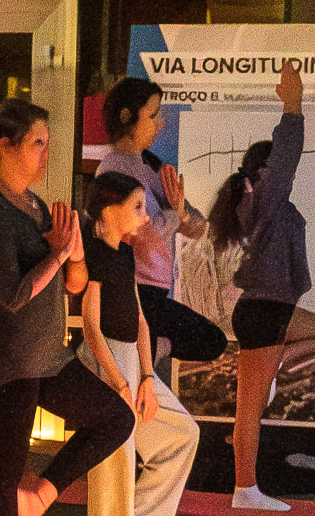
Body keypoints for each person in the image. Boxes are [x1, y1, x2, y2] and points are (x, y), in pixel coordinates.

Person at [0, 97, 133, 516]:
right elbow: (11, 295)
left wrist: (75, 255)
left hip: (48, 356)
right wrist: (59, 254)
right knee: (3, 474)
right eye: (37, 142)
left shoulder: (39, 208)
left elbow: (74, 285)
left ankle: (40, 496)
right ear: (5, 146)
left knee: (115, 418)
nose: (45, 154)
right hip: (4, 363)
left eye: (47, 143)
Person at [212, 65, 315, 513]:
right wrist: (292, 105)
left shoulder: (261, 203)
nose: (287, 176)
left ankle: (274, 370)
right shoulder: (263, 198)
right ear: (264, 173)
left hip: (270, 308)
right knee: (249, 411)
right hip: (263, 310)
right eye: (277, 171)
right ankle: (246, 490)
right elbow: (287, 155)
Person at [76, 171, 197, 516]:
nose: (146, 217)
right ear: (110, 211)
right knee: (114, 462)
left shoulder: (125, 255)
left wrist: (146, 375)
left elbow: (141, 321)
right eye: (138, 207)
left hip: (129, 358)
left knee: (181, 431)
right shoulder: (95, 254)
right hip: (104, 358)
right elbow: (91, 327)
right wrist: (119, 381)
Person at [92, 76, 223, 371]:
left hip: (156, 287)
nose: (161, 123)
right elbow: (148, 227)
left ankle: (146, 349)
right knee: (209, 340)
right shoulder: (115, 166)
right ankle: (143, 351)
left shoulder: (151, 165)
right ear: (127, 118)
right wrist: (177, 214)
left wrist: (181, 214)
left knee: (210, 341)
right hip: (135, 287)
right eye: (153, 115)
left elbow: (198, 226)